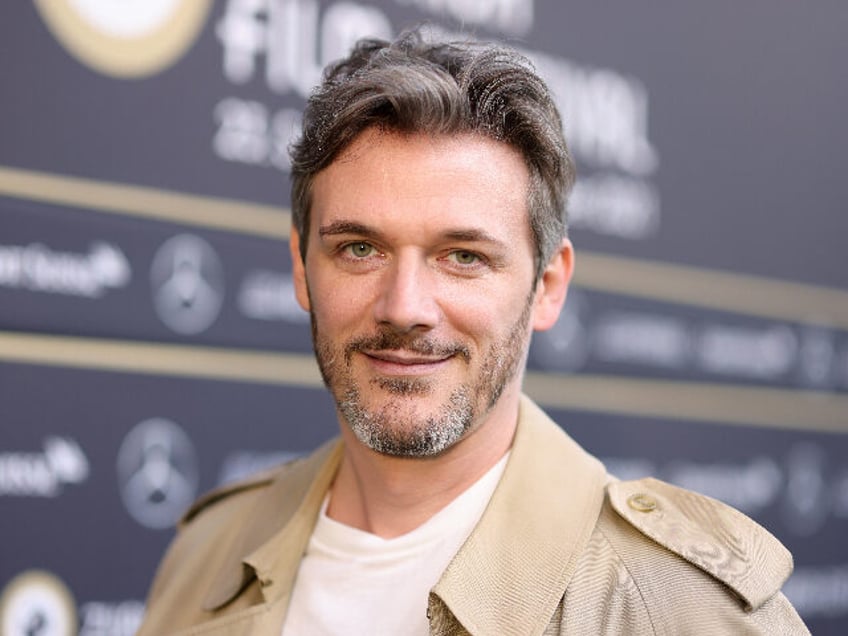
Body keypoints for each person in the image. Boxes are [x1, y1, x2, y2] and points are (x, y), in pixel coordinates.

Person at [137, 29, 809, 635]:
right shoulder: (207, 554)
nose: (404, 307)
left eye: (463, 257)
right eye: (358, 249)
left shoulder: (682, 610)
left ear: (548, 286)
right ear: (300, 266)